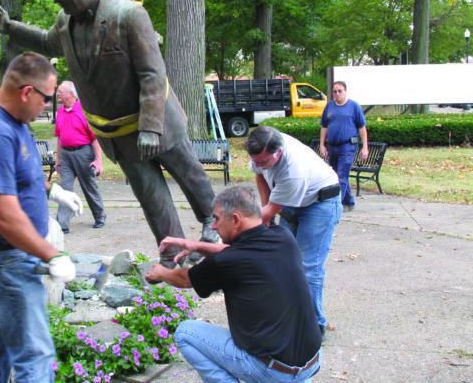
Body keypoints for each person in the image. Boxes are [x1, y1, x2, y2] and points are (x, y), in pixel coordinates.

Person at [0, 0, 218, 267]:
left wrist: (149, 126)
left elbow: (153, 75)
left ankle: (215, 227)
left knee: (191, 176)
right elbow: (45, 42)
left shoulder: (129, 15)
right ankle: (174, 255)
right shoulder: (65, 22)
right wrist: (8, 27)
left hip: (158, 124)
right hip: (118, 134)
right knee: (151, 196)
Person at [0, 53, 83, 383]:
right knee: (36, 355)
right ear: (27, 92)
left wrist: (51, 192)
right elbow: (4, 216)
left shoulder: (14, 121)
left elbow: (19, 178)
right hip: (4, 261)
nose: (48, 107)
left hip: (9, 259)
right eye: (46, 99)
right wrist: (53, 254)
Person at [145, 186, 322, 383]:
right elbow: (238, 251)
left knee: (185, 333)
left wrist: (162, 273)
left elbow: (186, 279)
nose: (212, 227)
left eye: (217, 219)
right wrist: (197, 245)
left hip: (274, 371)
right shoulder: (283, 237)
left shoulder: (226, 262)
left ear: (236, 220)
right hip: (311, 363)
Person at [245, 126, 342, 336]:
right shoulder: (262, 148)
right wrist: (265, 213)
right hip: (293, 200)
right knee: (286, 260)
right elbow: (260, 177)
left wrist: (252, 223)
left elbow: (271, 210)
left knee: (308, 265)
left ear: (277, 153)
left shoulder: (293, 171)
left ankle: (315, 326)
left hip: (321, 203)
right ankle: (290, 315)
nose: (259, 165)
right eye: (256, 161)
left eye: (263, 162)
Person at [54, 81, 106, 233]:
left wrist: (98, 161)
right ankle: (62, 224)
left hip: (83, 153)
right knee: (65, 189)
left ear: (71, 93)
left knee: (88, 186)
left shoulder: (84, 111)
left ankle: (99, 216)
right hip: (65, 154)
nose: (57, 94)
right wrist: (58, 158)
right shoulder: (60, 111)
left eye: (60, 91)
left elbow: (95, 137)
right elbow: (59, 136)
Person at [320, 80, 368, 212]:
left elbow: (362, 127)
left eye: (340, 91)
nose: (337, 94)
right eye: (335, 91)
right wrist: (322, 144)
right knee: (335, 175)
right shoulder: (329, 107)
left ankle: (335, 206)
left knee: (341, 175)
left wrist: (365, 147)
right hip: (332, 146)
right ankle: (349, 201)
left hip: (347, 146)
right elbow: (324, 126)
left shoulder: (354, 106)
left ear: (345, 92)